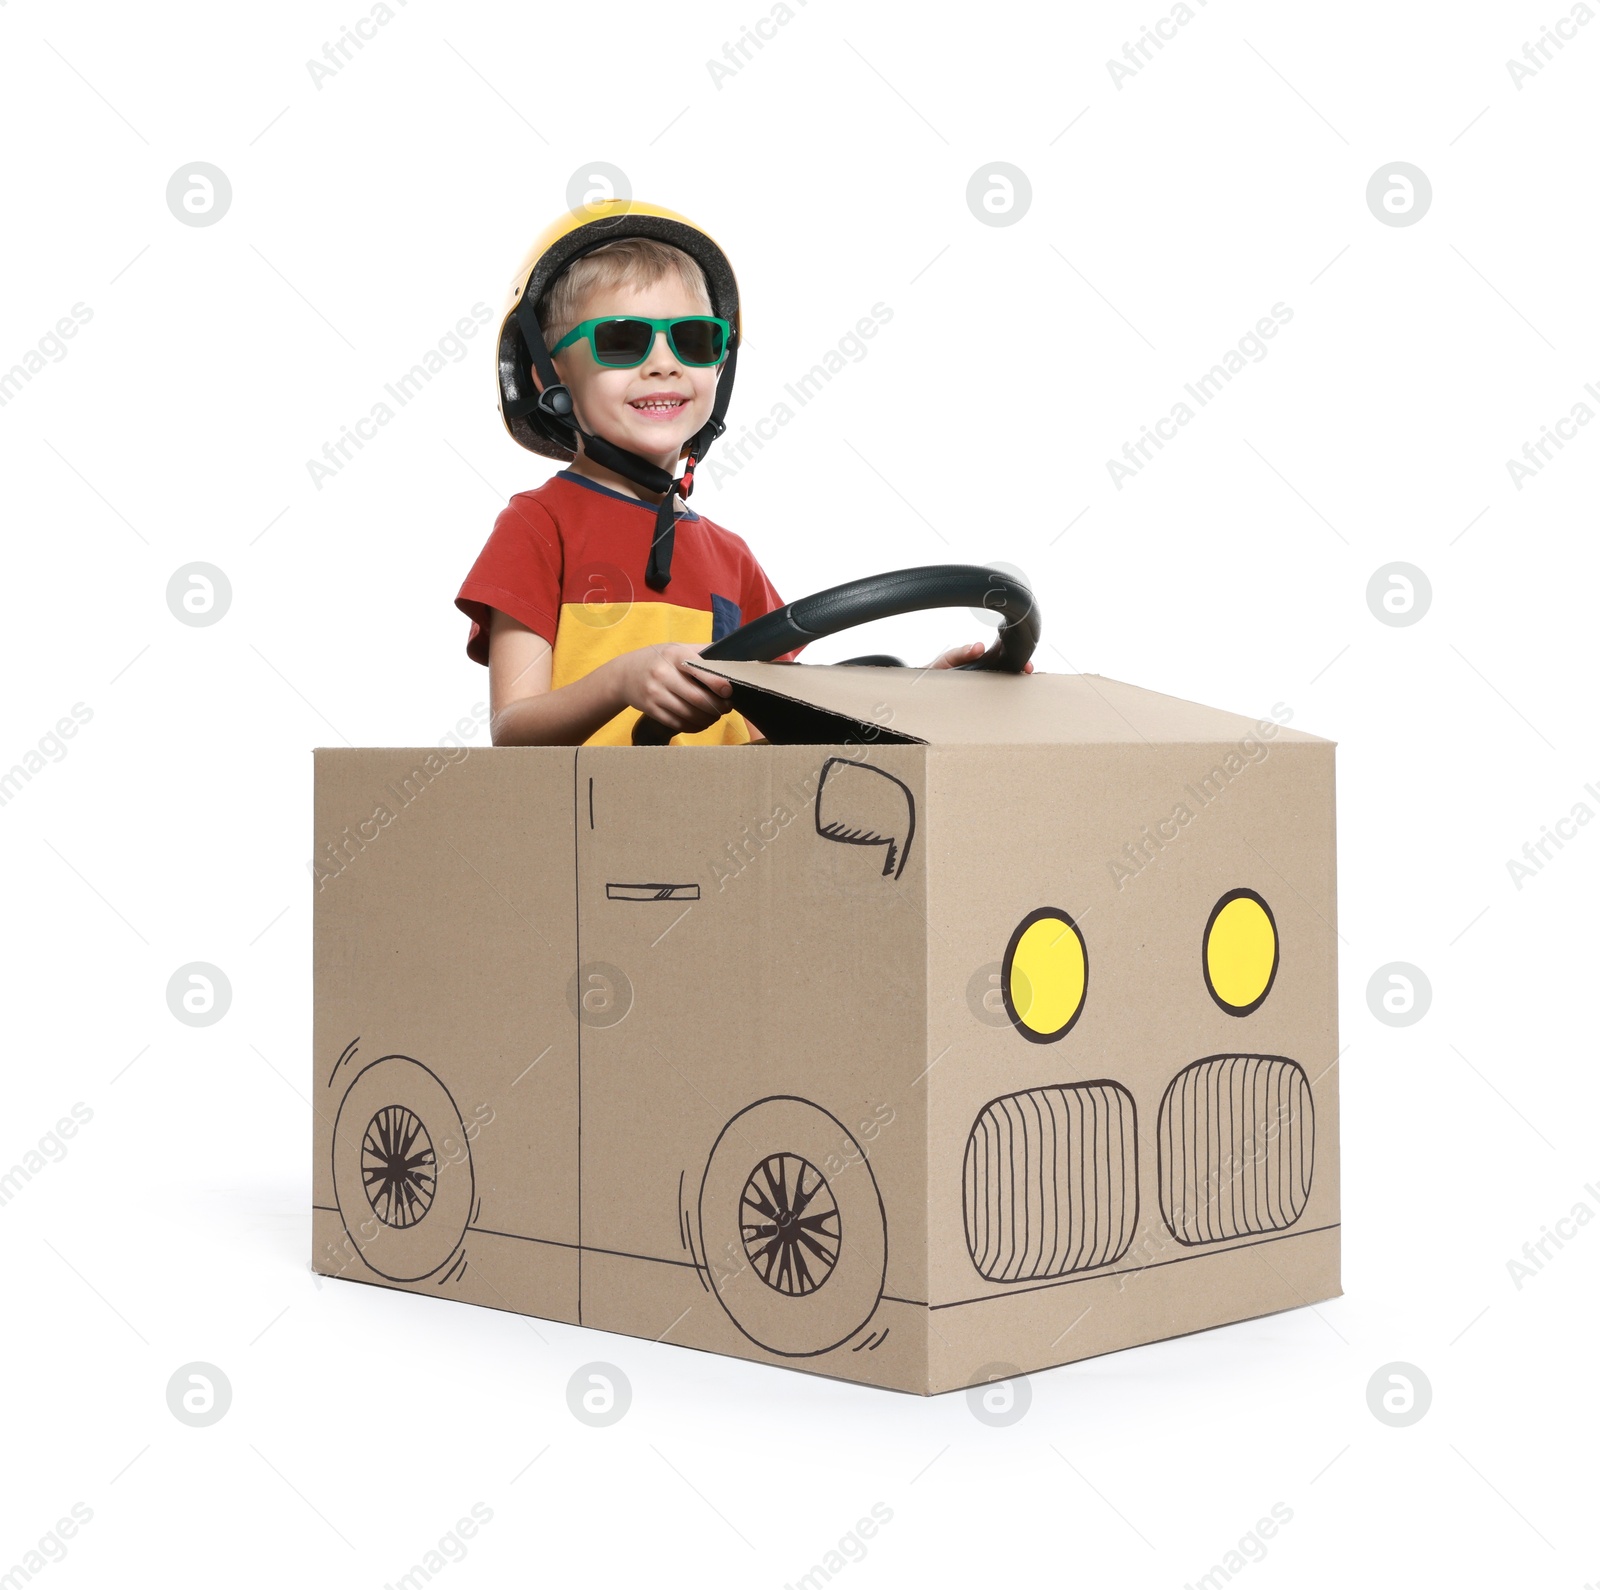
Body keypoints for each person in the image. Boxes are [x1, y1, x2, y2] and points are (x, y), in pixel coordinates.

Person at [456, 201, 1005, 747]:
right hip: (584, 829)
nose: (664, 363)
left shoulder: (733, 559)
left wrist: (924, 697)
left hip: (719, 830)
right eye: (621, 340)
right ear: (549, 373)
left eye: (693, 339)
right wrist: (620, 680)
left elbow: (786, 736)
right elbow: (515, 732)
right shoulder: (538, 526)